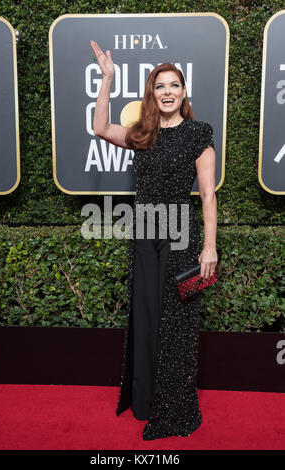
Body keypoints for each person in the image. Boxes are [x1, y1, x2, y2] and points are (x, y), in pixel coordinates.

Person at [90, 40, 218, 440]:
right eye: (159, 86)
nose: (166, 92)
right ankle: (145, 401)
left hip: (182, 234)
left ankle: (174, 405)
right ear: (152, 93)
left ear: (183, 92)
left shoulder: (199, 133)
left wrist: (209, 247)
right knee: (145, 317)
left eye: (173, 85)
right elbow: (99, 128)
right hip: (144, 232)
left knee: (177, 324)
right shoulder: (142, 133)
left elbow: (209, 195)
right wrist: (107, 80)